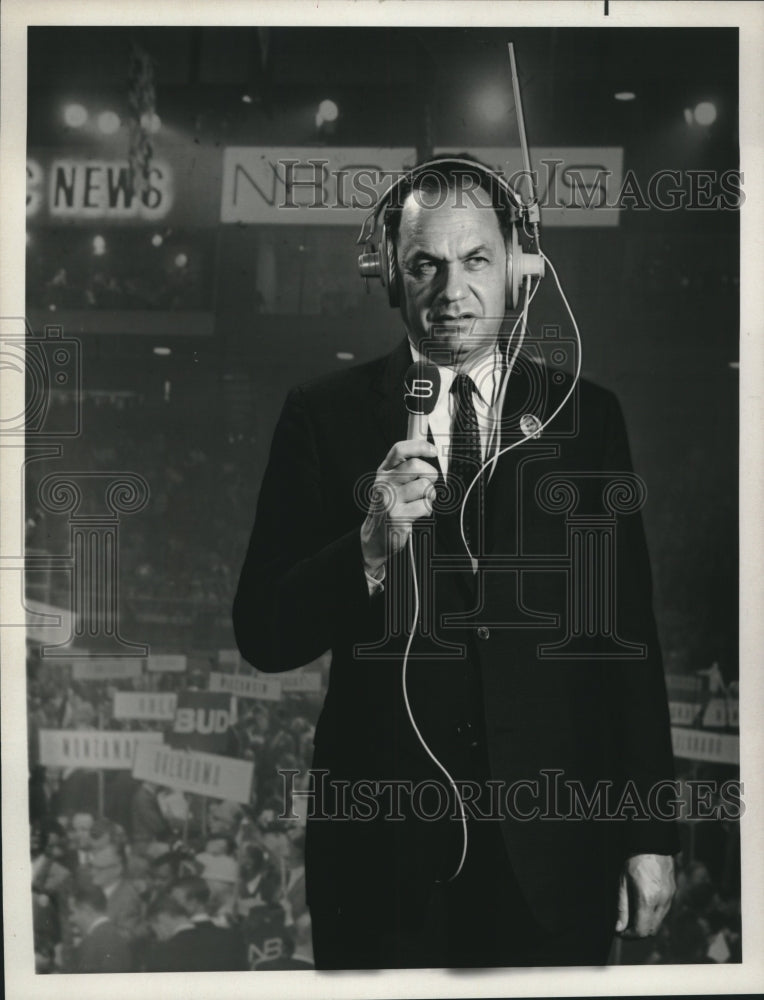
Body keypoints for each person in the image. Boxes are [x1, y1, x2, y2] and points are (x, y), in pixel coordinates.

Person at [233, 158, 678, 968]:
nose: (452, 290)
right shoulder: (322, 416)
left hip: (557, 851)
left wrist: (650, 832)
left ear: (519, 268)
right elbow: (263, 633)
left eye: (476, 259)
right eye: (425, 264)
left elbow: (629, 642)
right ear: (387, 275)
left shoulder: (588, 418)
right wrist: (368, 547)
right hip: (384, 861)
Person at [87, 842, 144, 944]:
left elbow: (127, 936)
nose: (92, 872)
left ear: (118, 869)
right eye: (91, 867)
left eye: (99, 868)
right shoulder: (95, 890)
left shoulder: (128, 899)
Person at [68, 884, 132, 973]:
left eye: (73, 912)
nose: (71, 919)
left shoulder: (91, 943)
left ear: (87, 910)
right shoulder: (118, 935)